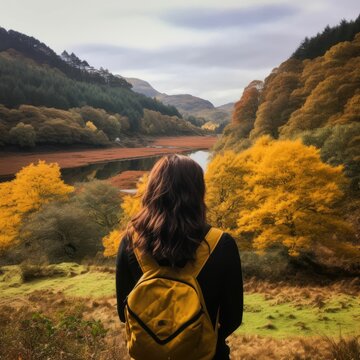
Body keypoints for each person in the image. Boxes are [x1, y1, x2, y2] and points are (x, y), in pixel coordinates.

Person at [116, 154, 243, 359]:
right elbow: (233, 318)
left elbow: (123, 314)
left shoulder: (131, 241)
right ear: (198, 191)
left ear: (152, 190)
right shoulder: (221, 243)